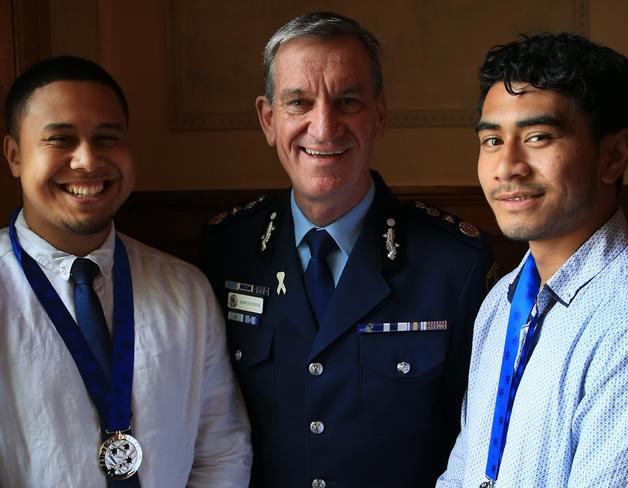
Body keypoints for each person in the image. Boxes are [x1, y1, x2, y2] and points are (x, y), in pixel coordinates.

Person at [201, 11, 494, 488]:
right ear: (268, 119)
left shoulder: (454, 263)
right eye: (299, 102)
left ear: (379, 115)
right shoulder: (225, 250)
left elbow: (475, 443)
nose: (324, 125)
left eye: (348, 101)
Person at [0, 56, 252, 487]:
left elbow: (222, 451)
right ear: (15, 155)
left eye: (107, 138)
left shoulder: (185, 289)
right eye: (60, 139)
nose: (86, 160)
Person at [437, 32, 628, 487]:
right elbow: (464, 470)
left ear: (613, 156)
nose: (507, 166)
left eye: (537, 136)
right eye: (492, 140)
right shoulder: (500, 302)